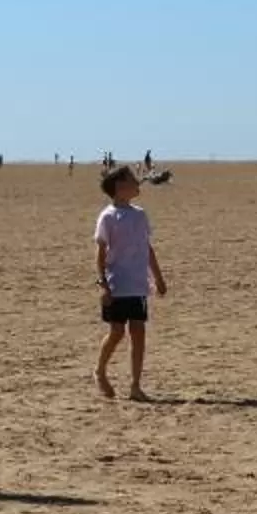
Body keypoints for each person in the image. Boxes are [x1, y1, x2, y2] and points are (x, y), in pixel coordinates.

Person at [92, 164, 167, 400]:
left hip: (138, 284)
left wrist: (158, 277)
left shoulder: (140, 214)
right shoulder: (108, 217)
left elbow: (147, 248)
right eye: (133, 180)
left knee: (138, 332)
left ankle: (135, 385)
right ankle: (100, 371)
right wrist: (103, 283)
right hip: (117, 284)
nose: (138, 183)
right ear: (120, 188)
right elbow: (101, 252)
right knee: (116, 333)